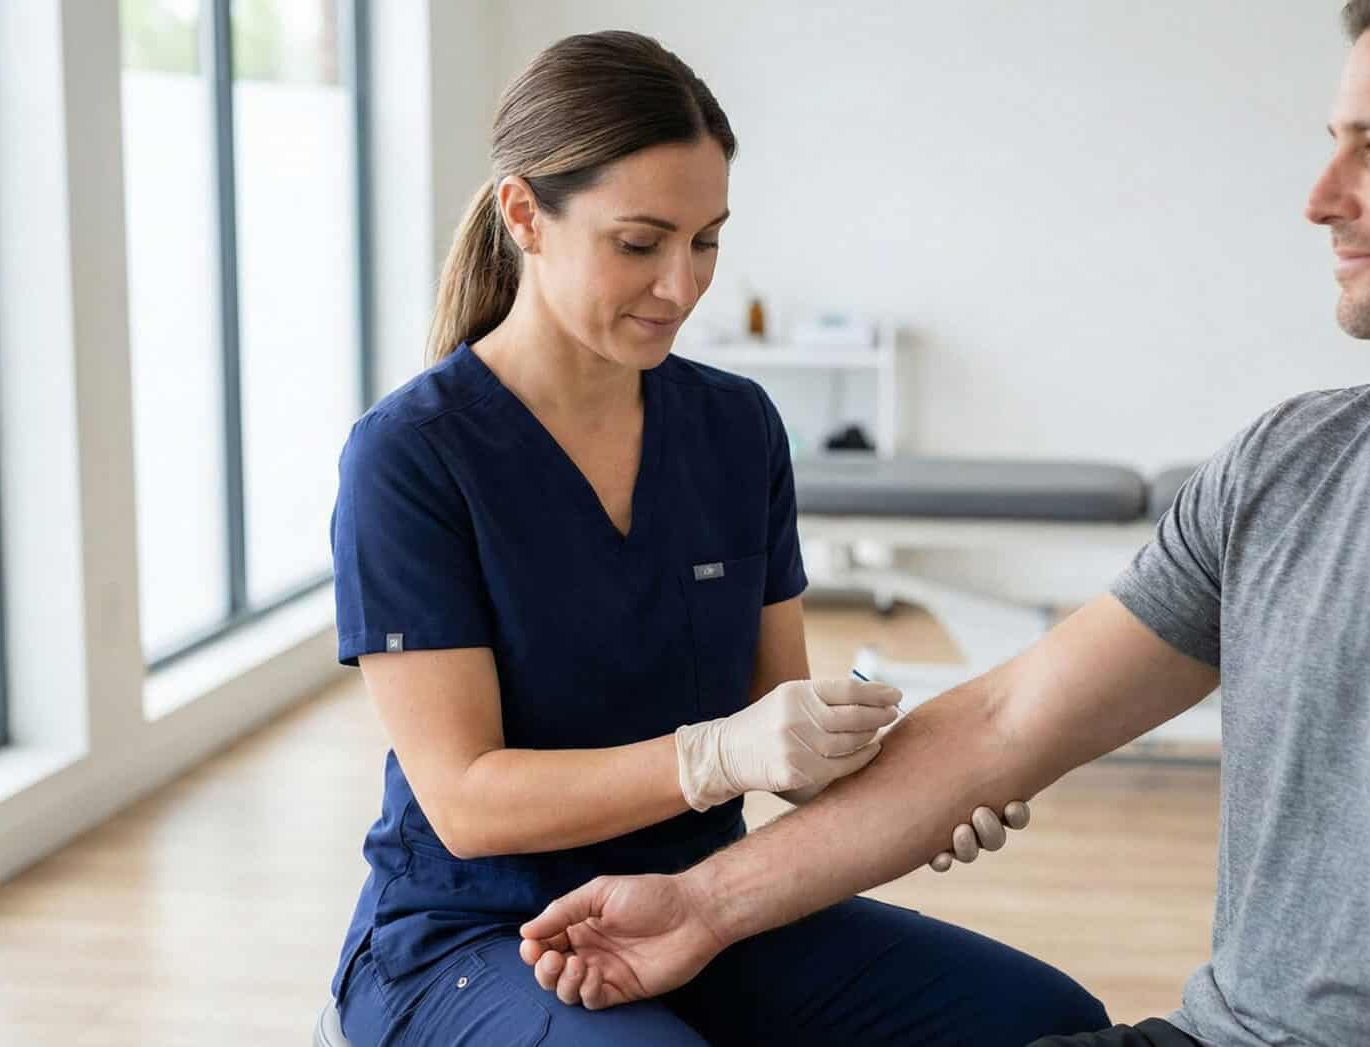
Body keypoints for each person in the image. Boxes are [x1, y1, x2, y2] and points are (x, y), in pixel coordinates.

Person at [515, 3, 1370, 1045]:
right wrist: (700, 904)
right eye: (1336, 143)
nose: (1321, 196)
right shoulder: (1293, 463)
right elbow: (1007, 724)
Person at [325, 29, 1107, 1047]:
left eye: (706, 241)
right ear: (525, 215)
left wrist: (928, 790)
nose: (682, 285)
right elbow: (466, 802)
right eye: (640, 243)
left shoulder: (736, 428)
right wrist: (712, 756)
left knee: (1052, 1024)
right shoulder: (412, 454)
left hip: (702, 903)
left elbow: (784, 739)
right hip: (482, 936)